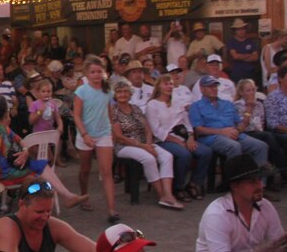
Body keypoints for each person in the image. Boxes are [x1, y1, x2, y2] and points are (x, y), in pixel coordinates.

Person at [0, 95, 87, 208]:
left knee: (40, 165)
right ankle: (64, 197)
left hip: (9, 165)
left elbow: (19, 140)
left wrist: (25, 151)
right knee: (40, 169)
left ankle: (66, 196)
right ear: (5, 112)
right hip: (3, 173)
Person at [110, 81, 183, 210]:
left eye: (126, 91)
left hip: (144, 143)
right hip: (124, 146)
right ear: (115, 95)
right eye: (119, 92)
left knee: (167, 156)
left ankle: (168, 193)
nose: (123, 94)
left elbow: (147, 129)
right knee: (148, 159)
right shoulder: (113, 111)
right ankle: (162, 196)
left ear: (130, 93)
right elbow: (118, 137)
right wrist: (144, 147)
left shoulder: (136, 108)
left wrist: (149, 144)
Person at [194, 154, 283, 252]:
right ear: (234, 186)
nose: (260, 186)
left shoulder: (266, 207)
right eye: (252, 182)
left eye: (259, 180)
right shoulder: (217, 214)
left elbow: (280, 244)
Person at [0, 178, 97, 252]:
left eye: (48, 211)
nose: (45, 217)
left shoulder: (53, 226)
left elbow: (94, 249)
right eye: (39, 212)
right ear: (22, 205)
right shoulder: (6, 228)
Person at [145, 74, 211, 202]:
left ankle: (194, 183)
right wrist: (177, 141)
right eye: (166, 84)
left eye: (170, 83)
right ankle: (178, 187)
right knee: (184, 154)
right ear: (158, 86)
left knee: (205, 152)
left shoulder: (176, 102)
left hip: (183, 135)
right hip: (165, 139)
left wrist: (190, 136)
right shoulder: (152, 105)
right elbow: (156, 130)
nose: (169, 86)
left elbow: (186, 121)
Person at [189, 75, 268, 170]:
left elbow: (240, 123)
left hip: (234, 135)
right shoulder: (196, 106)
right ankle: (235, 182)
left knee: (261, 146)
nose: (214, 89)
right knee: (234, 146)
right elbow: (198, 130)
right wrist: (221, 132)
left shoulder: (227, 104)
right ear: (202, 89)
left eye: (215, 86)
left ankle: (256, 182)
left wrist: (237, 131)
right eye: (210, 87)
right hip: (212, 137)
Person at [73, 55, 118, 222]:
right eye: (93, 72)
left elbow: (109, 112)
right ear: (87, 73)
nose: (96, 75)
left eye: (99, 71)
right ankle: (84, 195)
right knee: (85, 169)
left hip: (103, 134)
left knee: (107, 172)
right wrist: (84, 134)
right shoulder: (81, 91)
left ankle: (112, 210)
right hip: (85, 134)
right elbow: (76, 115)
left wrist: (112, 129)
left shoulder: (108, 91)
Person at [234, 79, 287, 191]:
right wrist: (249, 109)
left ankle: (270, 179)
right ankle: (283, 169)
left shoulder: (259, 105)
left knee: (271, 139)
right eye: (248, 90)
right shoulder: (237, 106)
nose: (251, 93)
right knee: (268, 137)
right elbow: (241, 126)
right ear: (241, 92)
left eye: (253, 90)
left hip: (259, 133)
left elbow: (260, 123)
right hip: (245, 133)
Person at [226, 19, 260, 84]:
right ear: (235, 31)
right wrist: (249, 55)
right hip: (237, 73)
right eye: (238, 29)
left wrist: (240, 57)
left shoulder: (250, 42)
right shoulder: (231, 42)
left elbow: (255, 57)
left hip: (250, 72)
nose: (241, 31)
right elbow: (235, 56)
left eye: (243, 29)